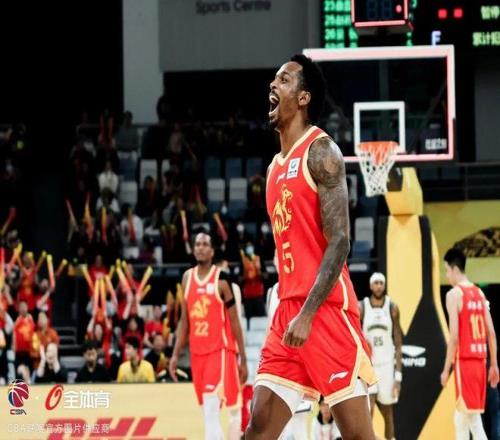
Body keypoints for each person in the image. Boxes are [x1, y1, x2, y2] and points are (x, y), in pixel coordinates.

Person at [246, 54, 376, 440]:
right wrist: (290, 307)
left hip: (324, 311)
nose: (273, 85)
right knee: (259, 426)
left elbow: (340, 240)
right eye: (274, 79)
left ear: (303, 98)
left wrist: (307, 313)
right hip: (288, 310)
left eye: (284, 80)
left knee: (358, 435)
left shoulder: (321, 152)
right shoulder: (273, 168)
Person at [169, 232, 248, 440]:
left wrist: (243, 357)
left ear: (212, 251)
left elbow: (235, 322)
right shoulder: (187, 278)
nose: (200, 247)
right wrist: (175, 354)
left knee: (212, 410)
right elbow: (184, 321)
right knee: (207, 412)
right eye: (197, 244)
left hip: (219, 351)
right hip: (197, 353)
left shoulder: (221, 280)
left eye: (205, 244)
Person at [440, 248, 499, 440]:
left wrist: (446, 369)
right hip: (481, 363)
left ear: (455, 269)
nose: (447, 275)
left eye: (447, 270)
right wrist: (494, 365)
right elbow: (491, 333)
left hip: (465, 362)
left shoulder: (454, 295)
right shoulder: (479, 293)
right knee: (463, 419)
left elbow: (454, 337)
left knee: (470, 419)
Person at [360, 272, 403, 440]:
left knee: (388, 412)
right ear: (370, 286)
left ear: (384, 286)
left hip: (386, 366)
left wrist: (398, 377)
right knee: (368, 408)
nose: (378, 286)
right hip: (369, 366)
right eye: (375, 283)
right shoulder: (362, 307)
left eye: (381, 283)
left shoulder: (392, 308)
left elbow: (398, 342)